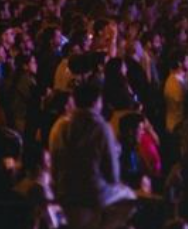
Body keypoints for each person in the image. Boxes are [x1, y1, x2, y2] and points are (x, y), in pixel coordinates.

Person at [48, 79, 136, 229]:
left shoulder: (59, 126)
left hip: (63, 191)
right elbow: (113, 176)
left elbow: (53, 164)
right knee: (130, 196)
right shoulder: (101, 127)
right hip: (93, 193)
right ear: (97, 101)